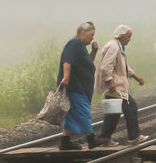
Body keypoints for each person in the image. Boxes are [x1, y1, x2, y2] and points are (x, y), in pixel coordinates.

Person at [96, 25, 148, 145]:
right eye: (128, 36)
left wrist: (136, 77)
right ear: (121, 35)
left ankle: (104, 139)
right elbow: (105, 66)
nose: (130, 39)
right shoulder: (114, 47)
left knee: (113, 113)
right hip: (116, 86)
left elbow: (124, 66)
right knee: (131, 107)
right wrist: (110, 81)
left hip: (117, 86)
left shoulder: (118, 46)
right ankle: (134, 136)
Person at [57, 22, 99, 151]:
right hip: (74, 87)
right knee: (83, 111)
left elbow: (86, 64)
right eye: (91, 35)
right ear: (82, 33)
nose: (92, 37)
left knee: (70, 115)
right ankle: (91, 140)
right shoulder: (74, 43)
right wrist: (66, 77)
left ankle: (65, 142)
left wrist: (94, 51)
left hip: (77, 86)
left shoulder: (80, 46)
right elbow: (67, 61)